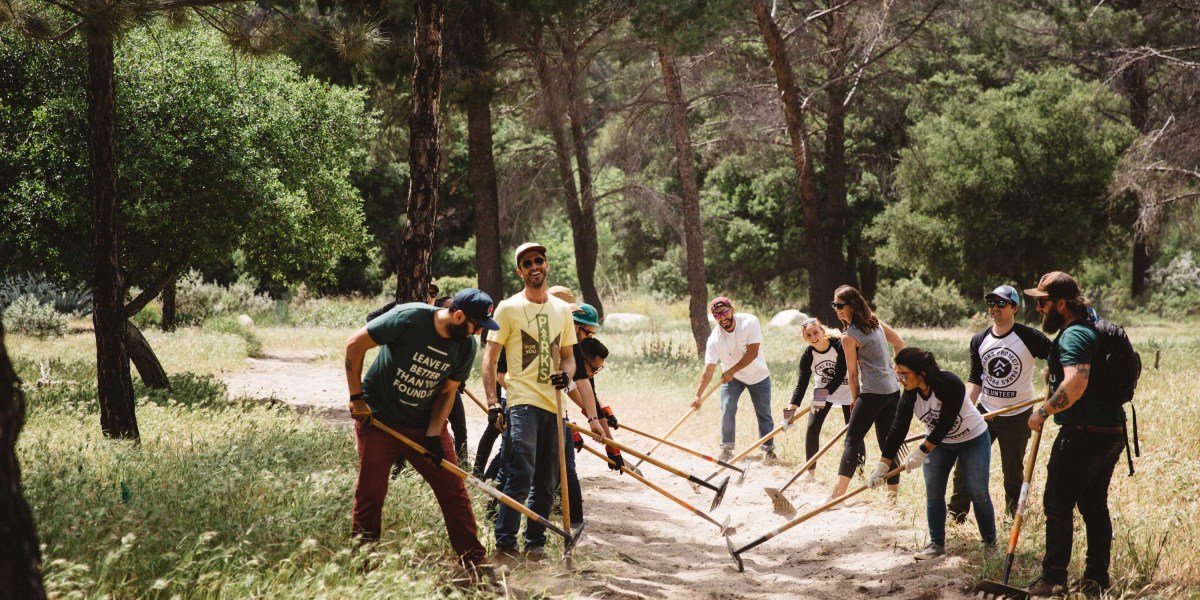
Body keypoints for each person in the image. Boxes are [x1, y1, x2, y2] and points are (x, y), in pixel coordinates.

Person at [344, 287, 499, 572]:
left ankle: (475, 563)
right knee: (371, 493)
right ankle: (362, 566)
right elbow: (355, 344)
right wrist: (356, 399)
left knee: (454, 489)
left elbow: (447, 393)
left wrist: (433, 434)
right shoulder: (409, 318)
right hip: (378, 419)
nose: (477, 332)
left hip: (423, 422)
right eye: (476, 325)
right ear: (459, 315)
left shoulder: (466, 346)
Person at [482, 243, 597, 562]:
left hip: (554, 404)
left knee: (548, 478)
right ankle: (505, 543)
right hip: (521, 402)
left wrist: (566, 374)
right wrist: (493, 402)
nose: (535, 266)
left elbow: (569, 359)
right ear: (520, 271)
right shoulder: (507, 308)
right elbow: (489, 361)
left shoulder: (562, 312)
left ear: (547, 265)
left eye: (539, 260)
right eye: (527, 262)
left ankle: (535, 545)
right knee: (520, 471)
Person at [1024, 272, 1125, 597]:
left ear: (1062, 303)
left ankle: (1053, 578)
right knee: (1094, 505)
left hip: (1083, 435)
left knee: (1057, 503)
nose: (1039, 308)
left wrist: (1044, 411)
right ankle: (1096, 581)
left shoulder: (1074, 335)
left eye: (1043, 302)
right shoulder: (1090, 329)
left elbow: (1077, 382)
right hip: (1111, 431)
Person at [869, 347, 997, 560]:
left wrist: (921, 452)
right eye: (897, 372)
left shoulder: (950, 384)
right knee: (934, 493)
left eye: (904, 373)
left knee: (978, 492)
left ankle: (990, 543)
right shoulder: (910, 393)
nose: (900, 378)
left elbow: (945, 423)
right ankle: (936, 544)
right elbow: (898, 427)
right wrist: (883, 465)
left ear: (922, 373)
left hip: (972, 440)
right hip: (939, 445)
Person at [947, 285, 1052, 522]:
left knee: (1012, 471)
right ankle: (956, 515)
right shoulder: (979, 339)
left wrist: (1051, 372)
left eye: (1001, 303)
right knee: (964, 463)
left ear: (1014, 308)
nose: (995, 308)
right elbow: (976, 378)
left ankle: (1013, 516)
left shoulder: (1029, 337)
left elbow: (1057, 356)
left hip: (1018, 413)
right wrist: (964, 411)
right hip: (985, 410)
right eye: (991, 303)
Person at [827, 285, 905, 503]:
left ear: (852, 305)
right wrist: (896, 370)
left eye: (841, 305)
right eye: (834, 305)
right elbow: (899, 343)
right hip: (892, 390)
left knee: (851, 441)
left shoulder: (848, 336)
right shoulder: (875, 321)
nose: (837, 309)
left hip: (873, 393)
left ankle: (837, 496)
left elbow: (853, 374)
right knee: (887, 444)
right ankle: (892, 498)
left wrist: (855, 400)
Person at [691, 297, 776, 463]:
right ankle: (727, 449)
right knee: (727, 408)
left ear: (732, 310)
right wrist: (698, 395)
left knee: (763, 412)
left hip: (757, 375)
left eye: (724, 312)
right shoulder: (714, 338)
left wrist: (731, 370)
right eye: (717, 315)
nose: (722, 317)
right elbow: (709, 368)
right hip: (733, 378)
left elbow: (752, 353)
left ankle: (769, 450)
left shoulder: (750, 322)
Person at [783, 317, 861, 482]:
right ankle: (810, 473)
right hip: (823, 392)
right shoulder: (808, 355)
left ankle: (860, 472)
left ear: (823, 331)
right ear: (805, 338)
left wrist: (821, 396)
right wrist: (789, 412)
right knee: (812, 429)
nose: (813, 337)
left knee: (854, 433)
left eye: (815, 332)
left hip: (848, 391)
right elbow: (801, 385)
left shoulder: (839, 346)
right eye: (808, 335)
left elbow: (840, 374)